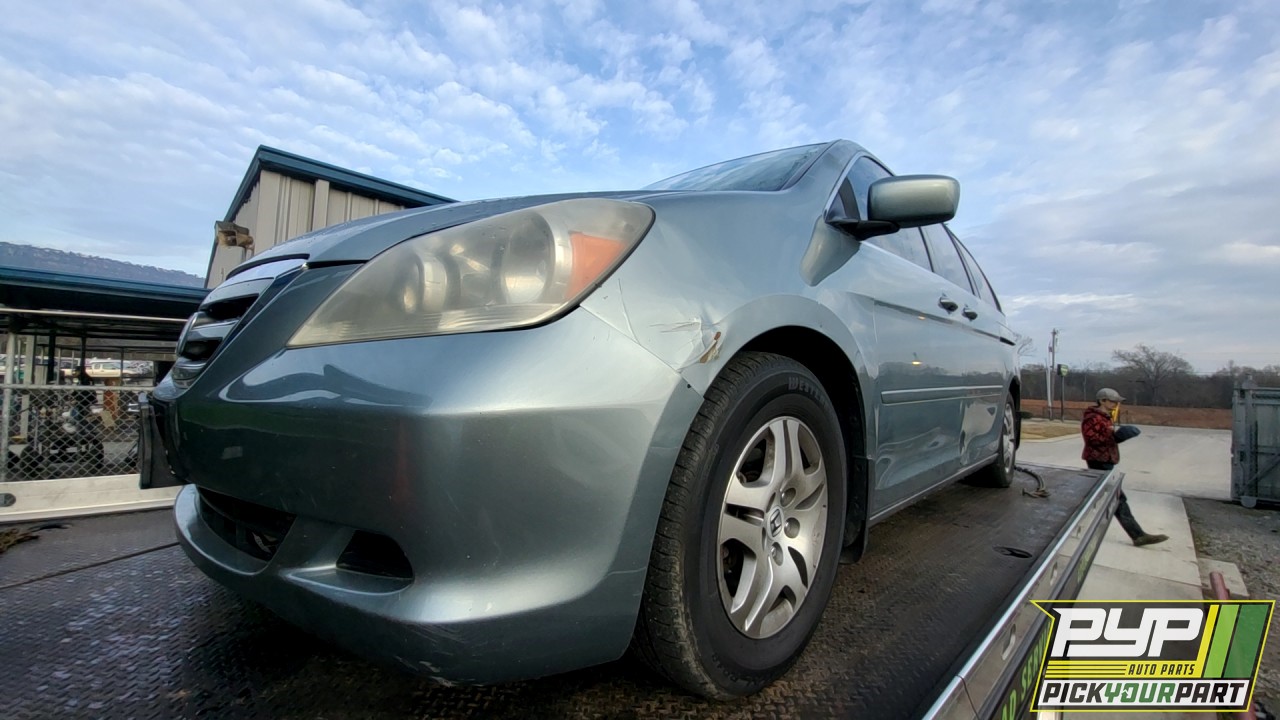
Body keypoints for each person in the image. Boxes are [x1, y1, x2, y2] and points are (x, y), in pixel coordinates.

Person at [1082, 387, 1168, 547]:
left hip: (1106, 459)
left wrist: (1117, 437)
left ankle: (1138, 535)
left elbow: (1106, 438)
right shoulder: (1092, 417)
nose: (1116, 404)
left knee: (1105, 496)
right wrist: (1114, 436)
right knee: (1116, 498)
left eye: (1117, 401)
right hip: (1098, 460)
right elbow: (1092, 439)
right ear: (1102, 401)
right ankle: (1138, 535)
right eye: (1113, 401)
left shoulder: (1105, 417)